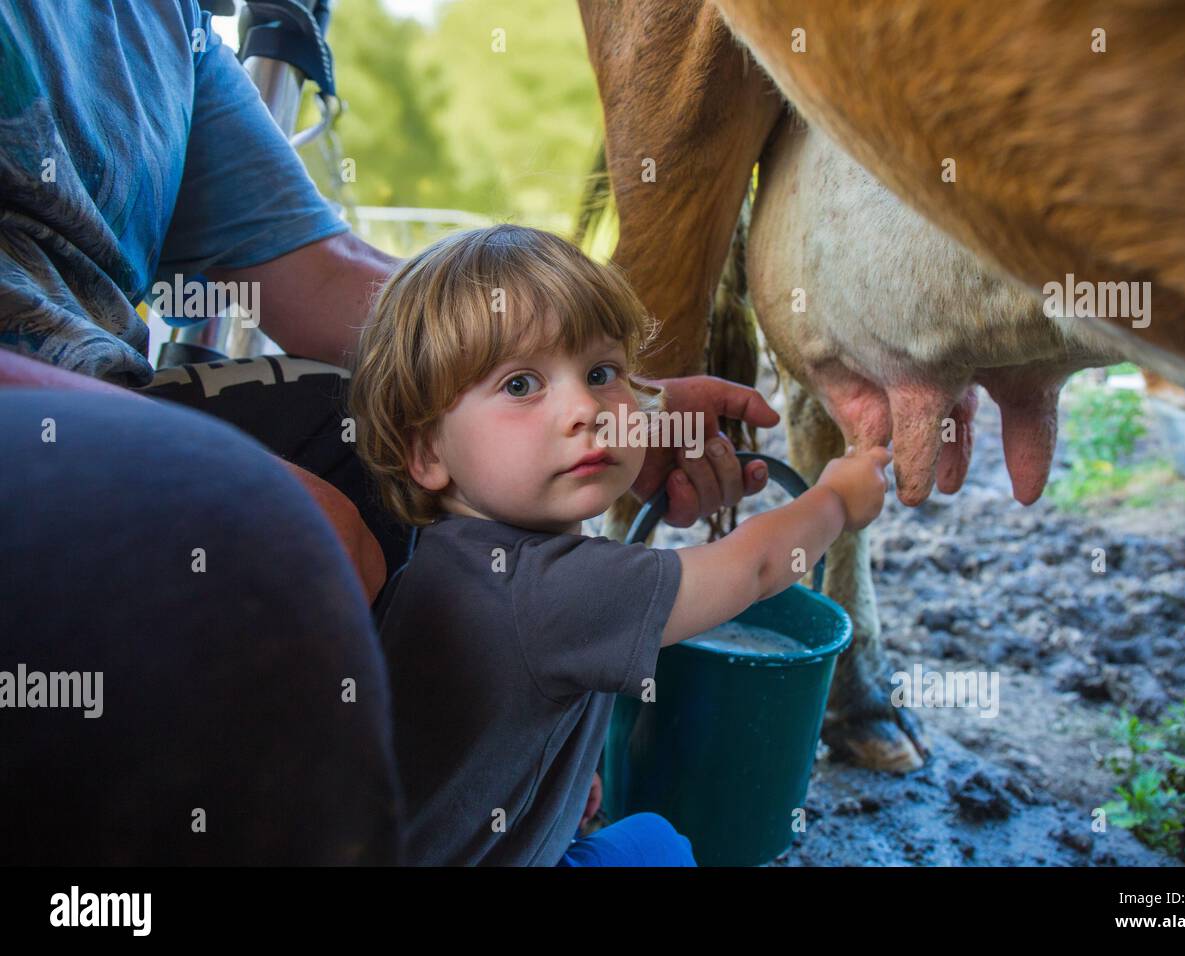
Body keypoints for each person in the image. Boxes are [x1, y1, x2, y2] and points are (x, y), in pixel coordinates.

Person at [0, 0, 778, 864]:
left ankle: (486, 780)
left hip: (104, 390)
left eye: (601, 370)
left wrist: (605, 410)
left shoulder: (159, 21)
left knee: (392, 444)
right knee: (309, 528)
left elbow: (329, 278)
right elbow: (752, 565)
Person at [350, 224, 892, 866]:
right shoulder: (547, 587)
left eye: (603, 372)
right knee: (662, 850)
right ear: (427, 452)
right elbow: (755, 568)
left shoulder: (446, 556)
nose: (586, 407)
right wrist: (833, 501)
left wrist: (554, 769)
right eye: (521, 385)